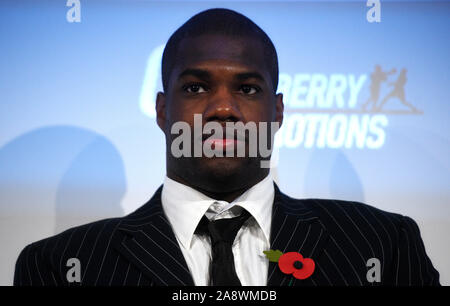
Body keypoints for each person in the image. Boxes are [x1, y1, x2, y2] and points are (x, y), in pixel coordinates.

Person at [14, 8, 439, 286]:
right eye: (196, 86)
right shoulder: (59, 266)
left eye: (247, 88)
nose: (222, 107)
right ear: (163, 110)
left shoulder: (382, 244)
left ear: (277, 112)